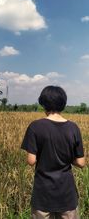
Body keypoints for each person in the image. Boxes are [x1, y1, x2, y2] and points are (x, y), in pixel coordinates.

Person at [20, 85, 85, 219]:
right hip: (67, 194)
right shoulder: (73, 128)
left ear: (44, 104)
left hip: (43, 194)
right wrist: (67, 157)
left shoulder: (35, 126)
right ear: (63, 104)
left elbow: (31, 161)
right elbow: (81, 162)